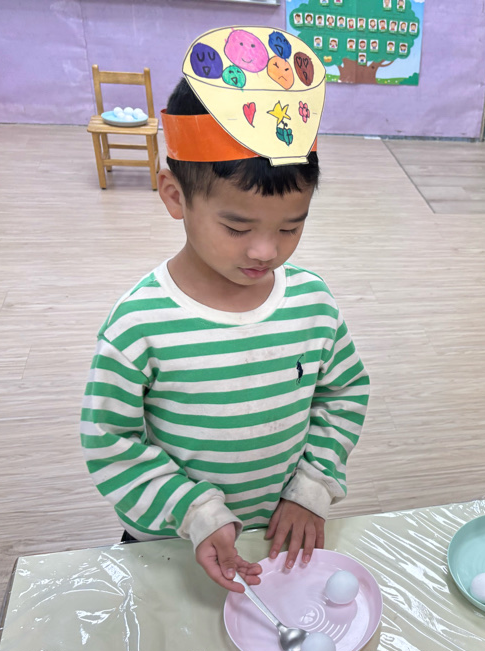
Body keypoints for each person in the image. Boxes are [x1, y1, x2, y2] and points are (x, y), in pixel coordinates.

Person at [81, 28, 369, 593]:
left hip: (275, 533)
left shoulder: (312, 303)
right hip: (172, 541)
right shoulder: (139, 323)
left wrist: (311, 487)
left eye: (291, 227)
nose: (265, 251)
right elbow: (109, 440)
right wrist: (194, 512)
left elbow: (345, 393)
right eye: (237, 227)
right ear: (175, 195)